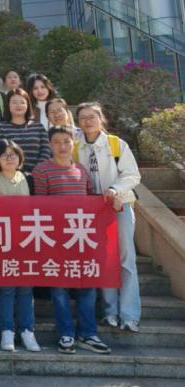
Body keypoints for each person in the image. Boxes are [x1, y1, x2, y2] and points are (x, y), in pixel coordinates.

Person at [31, 126, 110, 355]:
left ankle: (88, 334)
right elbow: (40, 206)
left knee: (88, 287)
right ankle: (66, 334)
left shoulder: (81, 170)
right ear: (50, 145)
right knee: (59, 289)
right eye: (57, 142)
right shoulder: (41, 170)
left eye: (66, 141)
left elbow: (91, 202)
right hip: (56, 239)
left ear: (73, 143)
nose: (62, 146)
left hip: (82, 238)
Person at [74, 102, 142, 333]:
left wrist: (115, 189)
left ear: (101, 118)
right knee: (103, 260)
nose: (88, 121)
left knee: (125, 259)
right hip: (92, 211)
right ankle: (110, 311)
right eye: (83, 118)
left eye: (92, 117)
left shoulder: (115, 143)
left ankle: (130, 315)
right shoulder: (76, 147)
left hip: (119, 206)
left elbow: (132, 175)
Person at [0, 139, 40, 353]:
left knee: (26, 287)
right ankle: (7, 330)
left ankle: (27, 331)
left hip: (26, 240)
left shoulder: (29, 179)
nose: (9, 158)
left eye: (13, 154)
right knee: (7, 287)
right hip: (0, 242)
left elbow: (38, 209)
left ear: (20, 157)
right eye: (4, 155)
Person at [0, 88, 51, 173]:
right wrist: (17, 173)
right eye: (14, 102)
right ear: (8, 105)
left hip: (37, 174)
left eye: (22, 102)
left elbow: (46, 151)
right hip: (11, 175)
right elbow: (1, 153)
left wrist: (37, 170)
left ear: (27, 105)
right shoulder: (0, 127)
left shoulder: (38, 127)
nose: (18, 105)